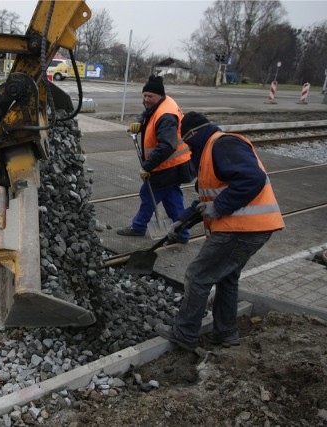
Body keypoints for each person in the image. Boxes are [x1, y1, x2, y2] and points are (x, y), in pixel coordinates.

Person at [155, 111, 285, 352]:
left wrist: (220, 207)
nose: (187, 148)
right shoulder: (210, 153)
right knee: (226, 278)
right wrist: (182, 221)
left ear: (194, 134)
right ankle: (226, 334)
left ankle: (184, 335)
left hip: (242, 229)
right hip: (250, 228)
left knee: (198, 275)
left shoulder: (223, 144)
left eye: (187, 141)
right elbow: (208, 200)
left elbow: (252, 179)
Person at [118, 75, 193, 242]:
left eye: (150, 96)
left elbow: (167, 146)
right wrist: (139, 122)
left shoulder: (166, 116)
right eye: (144, 96)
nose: (146, 100)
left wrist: (147, 167)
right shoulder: (162, 103)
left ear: (159, 96)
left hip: (169, 165)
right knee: (172, 200)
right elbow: (147, 113)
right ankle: (182, 233)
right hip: (175, 164)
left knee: (148, 194)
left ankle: (138, 227)